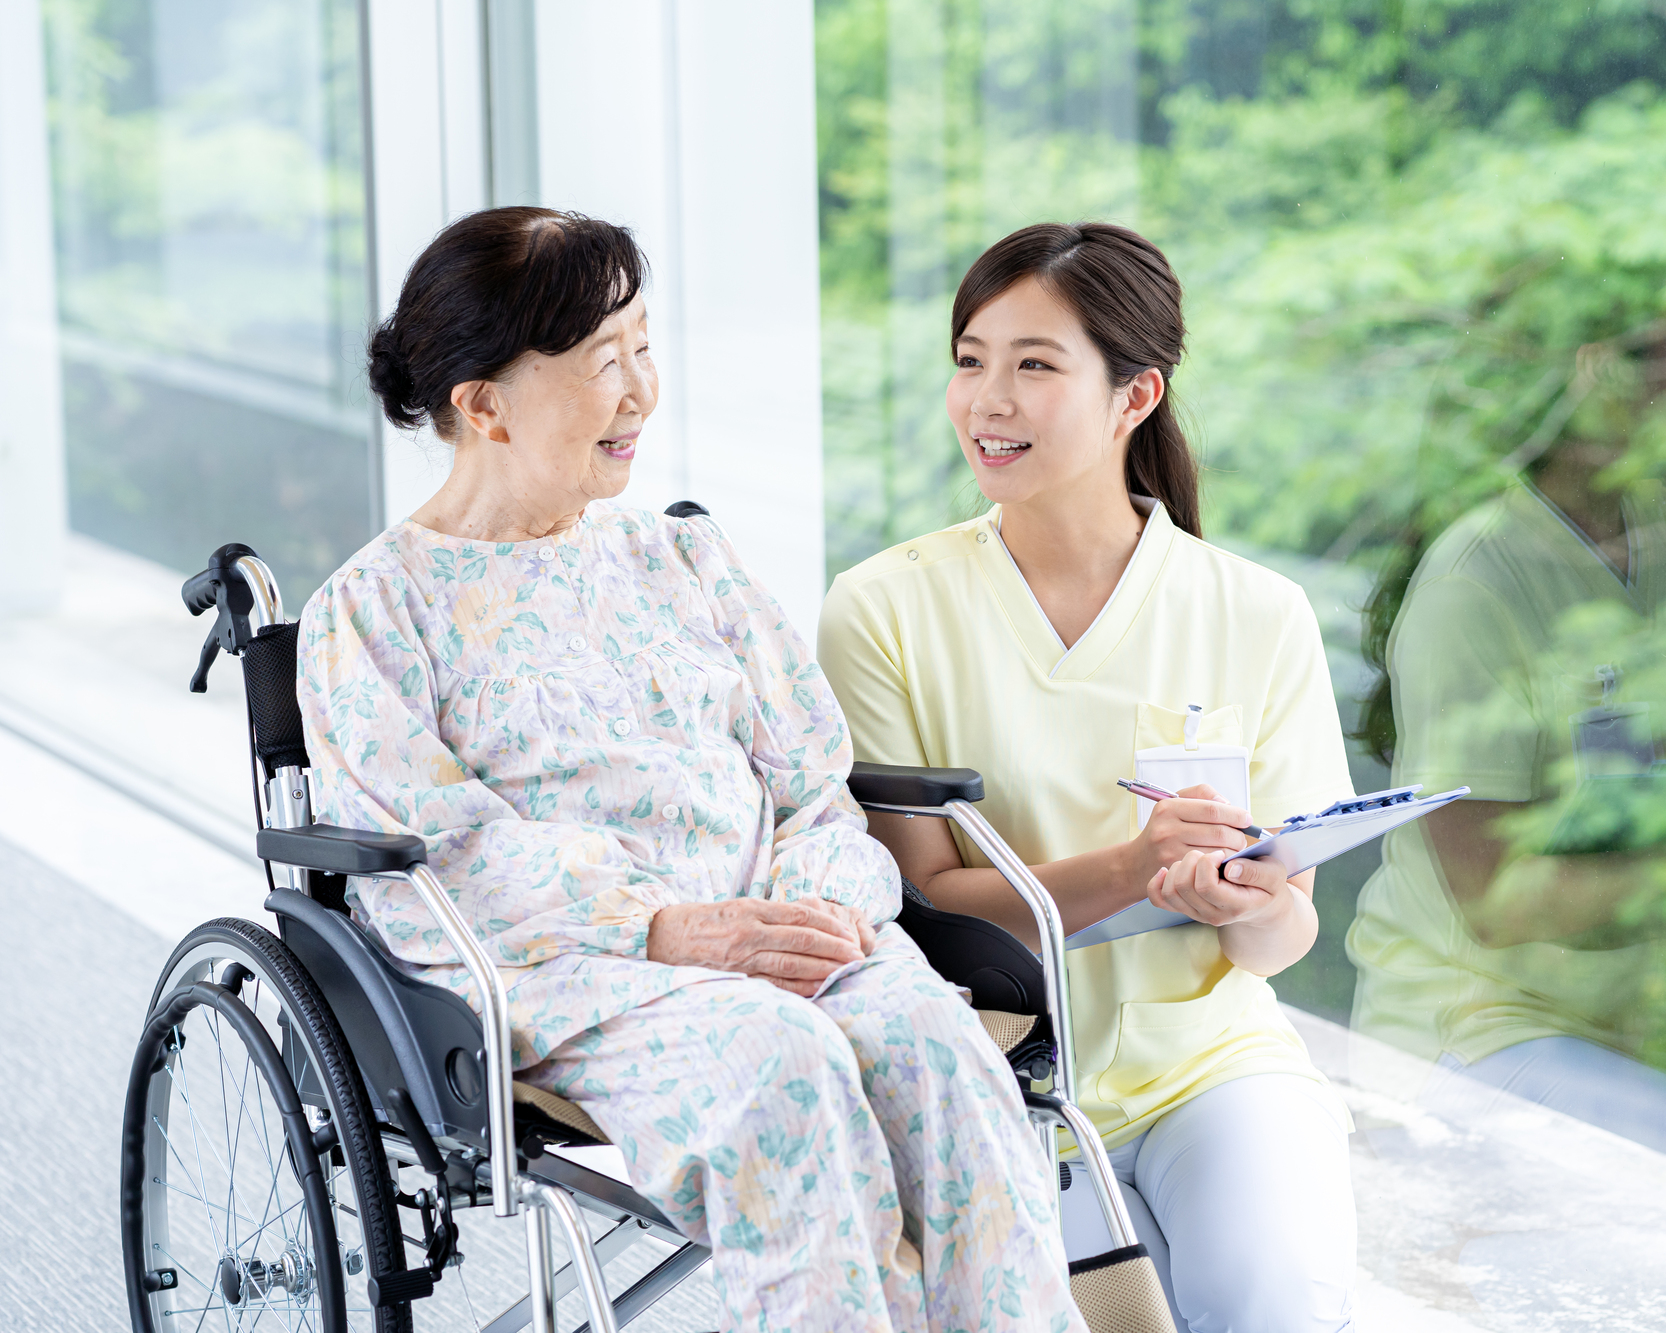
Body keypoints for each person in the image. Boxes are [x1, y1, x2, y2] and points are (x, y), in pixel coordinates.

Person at [298, 206, 1080, 1333]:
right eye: (601, 361)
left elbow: (813, 777)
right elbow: (441, 859)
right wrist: (668, 927)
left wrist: (818, 906)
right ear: (482, 404)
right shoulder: (374, 610)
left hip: (785, 929)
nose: (639, 390)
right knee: (783, 1064)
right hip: (574, 968)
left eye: (644, 347)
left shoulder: (680, 555)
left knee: (938, 1055)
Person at [817, 222, 1357, 1332]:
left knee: (1278, 1299)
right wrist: (1131, 867)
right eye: (969, 360)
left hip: (1211, 1064)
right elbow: (914, 908)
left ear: (1134, 395)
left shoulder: (1255, 612)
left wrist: (1243, 904)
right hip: (993, 1078)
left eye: (1033, 365)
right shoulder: (881, 609)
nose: (987, 400)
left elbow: (1281, 937)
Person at [1345, 333, 1666, 1225]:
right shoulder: (1476, 582)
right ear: (1580, 375)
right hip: (1469, 1035)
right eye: (1660, 357)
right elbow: (1500, 904)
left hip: (1645, 1023)